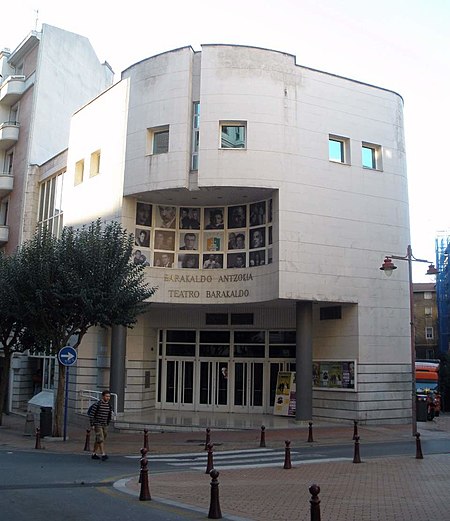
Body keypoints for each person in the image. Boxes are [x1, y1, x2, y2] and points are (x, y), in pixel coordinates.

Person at [89, 390, 112, 461]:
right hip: (97, 424)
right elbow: (92, 414)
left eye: (109, 396)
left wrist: (108, 422)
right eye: (106, 396)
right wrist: (92, 424)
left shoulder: (109, 405)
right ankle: (103, 454)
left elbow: (109, 415)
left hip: (104, 424)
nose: (108, 398)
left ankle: (94, 453)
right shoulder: (97, 404)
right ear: (103, 396)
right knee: (100, 438)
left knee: (99, 439)